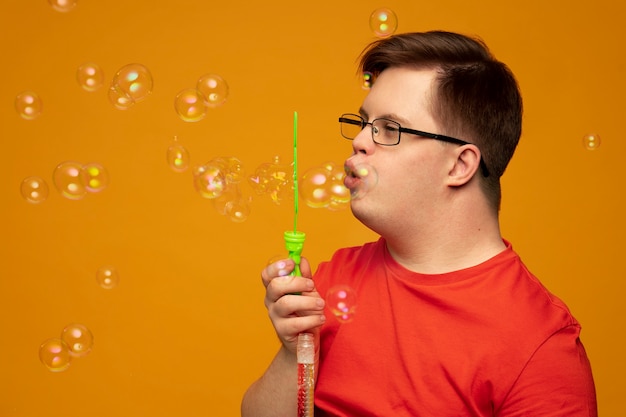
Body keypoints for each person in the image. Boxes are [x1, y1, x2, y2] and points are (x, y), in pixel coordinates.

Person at [241, 30, 597, 416]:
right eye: (363, 123)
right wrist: (294, 351)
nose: (359, 141)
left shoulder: (540, 347)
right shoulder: (336, 277)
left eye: (390, 129)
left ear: (459, 165)